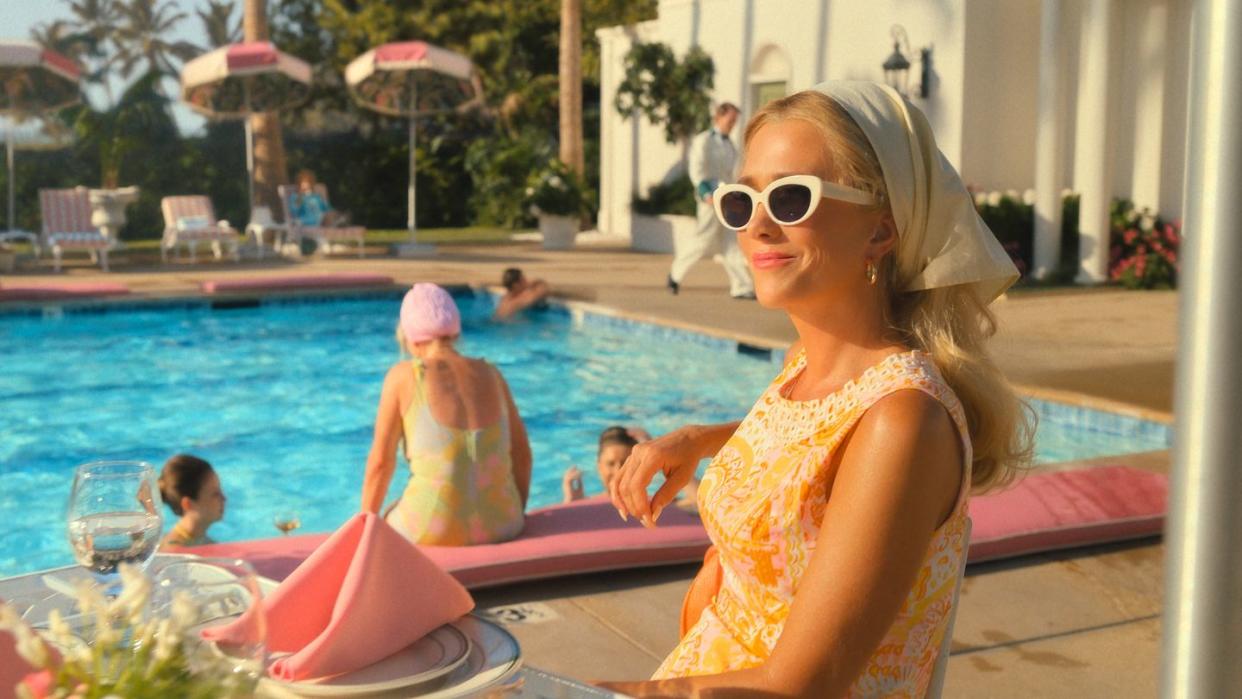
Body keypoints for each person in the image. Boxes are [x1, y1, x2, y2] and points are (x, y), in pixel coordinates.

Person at [602, 81, 1034, 697]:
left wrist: (575, 692)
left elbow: (796, 687)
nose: (758, 225)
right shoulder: (806, 364)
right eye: (741, 202)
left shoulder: (905, 423)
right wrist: (705, 438)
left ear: (881, 231)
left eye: (791, 199)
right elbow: (818, 443)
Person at [363, 283, 532, 545]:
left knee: (385, 517)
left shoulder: (403, 376)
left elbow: (380, 464)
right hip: (507, 523)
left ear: (410, 337)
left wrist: (363, 527)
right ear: (454, 333)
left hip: (432, 531)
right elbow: (522, 455)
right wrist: (515, 512)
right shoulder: (492, 374)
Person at [669, 102, 755, 300]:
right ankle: (675, 275)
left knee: (731, 242)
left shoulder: (731, 145)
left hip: (727, 198)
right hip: (709, 199)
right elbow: (697, 170)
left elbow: (731, 174)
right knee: (703, 240)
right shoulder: (704, 140)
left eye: (735, 121)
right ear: (719, 117)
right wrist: (705, 192)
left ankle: (741, 287)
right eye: (730, 120)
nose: (733, 124)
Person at [562, 426, 699, 510]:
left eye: (624, 463)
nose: (617, 471)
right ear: (599, 466)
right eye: (610, 464)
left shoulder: (656, 504)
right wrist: (572, 506)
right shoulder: (586, 505)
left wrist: (661, 457)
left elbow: (702, 503)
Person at [158, 454, 226, 549]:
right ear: (188, 504)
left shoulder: (201, 541)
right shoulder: (175, 551)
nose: (224, 498)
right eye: (215, 494)